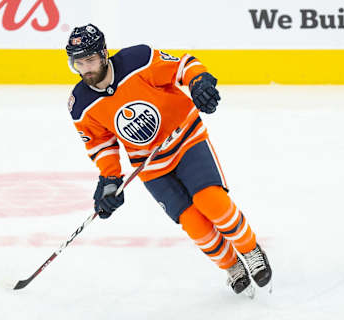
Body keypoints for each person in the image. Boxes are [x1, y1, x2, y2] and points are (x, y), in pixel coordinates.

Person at [65, 23, 272, 296]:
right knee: (193, 222)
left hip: (185, 139)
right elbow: (101, 144)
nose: (85, 69)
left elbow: (183, 66)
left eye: (90, 60)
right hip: (150, 166)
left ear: (104, 54)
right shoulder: (79, 103)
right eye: (78, 63)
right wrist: (110, 179)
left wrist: (199, 81)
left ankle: (250, 249)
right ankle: (231, 265)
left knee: (210, 200)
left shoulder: (138, 60)